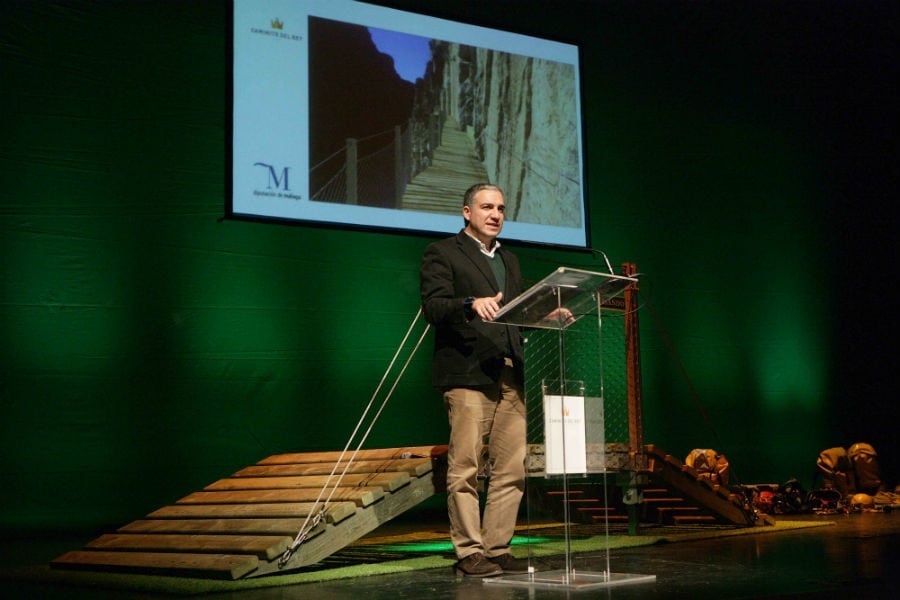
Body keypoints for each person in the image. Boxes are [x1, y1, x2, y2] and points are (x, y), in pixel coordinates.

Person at [420, 183, 532, 577]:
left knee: (511, 469)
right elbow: (434, 306)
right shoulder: (444, 252)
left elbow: (515, 312)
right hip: (467, 373)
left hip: (509, 374)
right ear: (466, 212)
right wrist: (470, 304)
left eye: (501, 207)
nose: (496, 214)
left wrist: (544, 318)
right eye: (487, 207)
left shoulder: (511, 260)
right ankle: (469, 551)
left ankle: (497, 548)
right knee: (466, 467)